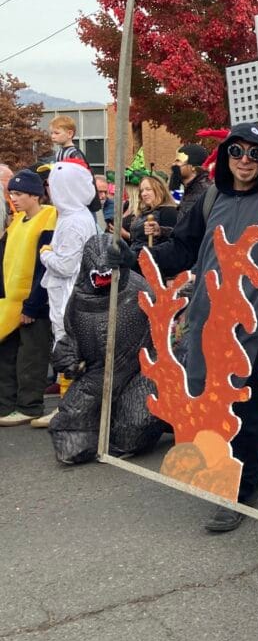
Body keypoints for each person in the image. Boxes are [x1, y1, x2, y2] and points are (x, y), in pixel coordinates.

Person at [119, 122, 258, 532]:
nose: (245, 161)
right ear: (225, 156)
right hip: (207, 320)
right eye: (237, 152)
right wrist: (136, 255)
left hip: (256, 323)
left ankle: (239, 489)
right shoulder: (210, 199)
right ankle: (251, 470)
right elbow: (184, 249)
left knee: (245, 401)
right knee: (214, 398)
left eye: (254, 154)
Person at [49, 234, 164, 464]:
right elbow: (72, 339)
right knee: (71, 428)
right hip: (99, 372)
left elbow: (161, 334)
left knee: (132, 426)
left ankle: (124, 432)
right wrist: (67, 356)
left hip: (141, 369)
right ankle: (92, 436)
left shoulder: (139, 289)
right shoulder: (79, 300)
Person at [37, 160, 99, 429]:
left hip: (70, 297)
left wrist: (46, 254)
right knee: (68, 351)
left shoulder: (74, 222)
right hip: (66, 296)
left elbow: (66, 264)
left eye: (53, 183)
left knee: (70, 352)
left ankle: (70, 409)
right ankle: (68, 406)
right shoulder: (71, 216)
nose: (48, 188)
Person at [0, 170, 56, 426]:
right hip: (10, 302)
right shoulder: (16, 221)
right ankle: (6, 404)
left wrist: (33, 304)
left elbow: (44, 266)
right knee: (7, 356)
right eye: (12, 193)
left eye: (19, 194)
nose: (14, 198)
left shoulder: (49, 218)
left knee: (30, 358)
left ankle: (29, 405)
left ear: (35, 195)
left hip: (34, 302)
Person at [126, 174, 178, 252]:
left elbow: (172, 241)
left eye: (148, 189)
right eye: (142, 190)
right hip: (134, 256)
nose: (143, 194)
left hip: (152, 259)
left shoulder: (169, 211)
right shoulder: (144, 212)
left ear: (160, 190)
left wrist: (161, 231)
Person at [168, 144, 211, 225]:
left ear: (192, 167)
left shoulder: (202, 191)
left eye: (178, 161)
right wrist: (160, 231)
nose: (173, 164)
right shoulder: (190, 190)